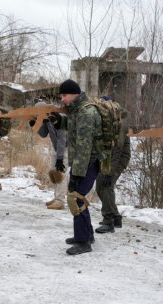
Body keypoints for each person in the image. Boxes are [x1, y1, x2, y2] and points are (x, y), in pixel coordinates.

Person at [51, 79, 102, 255]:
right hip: (84, 161)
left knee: (75, 197)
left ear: (74, 94)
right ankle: (87, 234)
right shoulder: (77, 110)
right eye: (61, 96)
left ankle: (83, 242)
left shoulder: (87, 113)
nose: (62, 99)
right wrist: (59, 122)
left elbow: (84, 147)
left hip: (88, 162)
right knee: (79, 197)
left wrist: (77, 175)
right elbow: (73, 127)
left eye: (64, 95)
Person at [95, 108, 130, 233]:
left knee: (107, 185)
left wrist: (109, 173)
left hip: (118, 159)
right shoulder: (106, 124)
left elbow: (117, 151)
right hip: (107, 159)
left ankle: (108, 221)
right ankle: (116, 217)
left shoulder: (120, 126)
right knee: (99, 187)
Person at [30, 101, 68, 210]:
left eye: (38, 113)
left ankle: (60, 200)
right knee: (53, 172)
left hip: (64, 147)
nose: (37, 115)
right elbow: (43, 134)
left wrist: (60, 159)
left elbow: (62, 139)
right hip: (55, 146)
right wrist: (35, 125)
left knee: (60, 172)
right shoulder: (47, 118)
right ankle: (57, 197)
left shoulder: (59, 117)